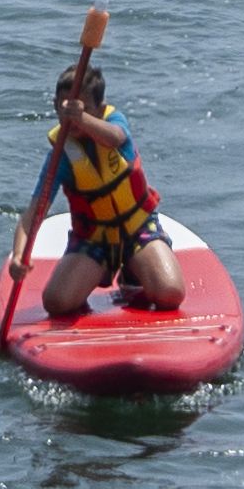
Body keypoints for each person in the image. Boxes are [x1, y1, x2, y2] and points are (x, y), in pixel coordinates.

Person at [42, 23, 180, 316]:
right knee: (56, 303)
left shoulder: (115, 123)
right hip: (94, 238)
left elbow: (115, 138)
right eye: (65, 110)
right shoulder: (62, 152)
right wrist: (19, 253)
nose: (75, 119)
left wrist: (81, 118)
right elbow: (36, 208)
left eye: (84, 110)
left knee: (169, 294)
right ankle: (88, 275)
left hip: (136, 228)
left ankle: (134, 273)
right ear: (56, 106)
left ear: (99, 108)